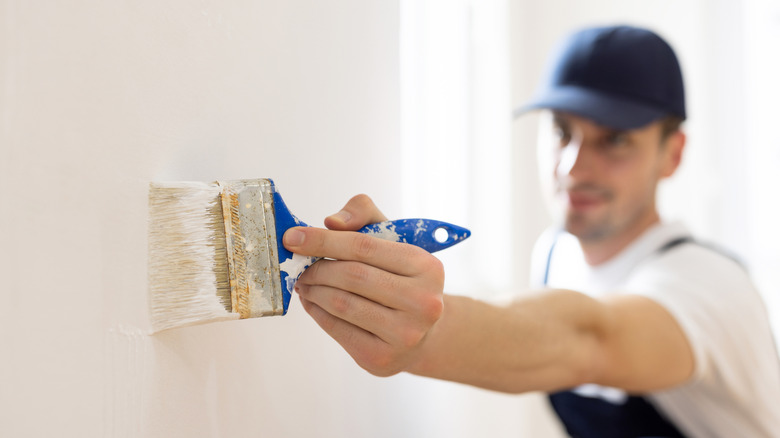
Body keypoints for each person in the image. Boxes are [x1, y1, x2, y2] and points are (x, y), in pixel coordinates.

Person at [282, 25, 780, 437]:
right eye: (563, 131)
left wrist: (424, 333)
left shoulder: (710, 286)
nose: (575, 166)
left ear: (672, 154)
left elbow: (590, 340)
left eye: (616, 140)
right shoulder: (556, 253)